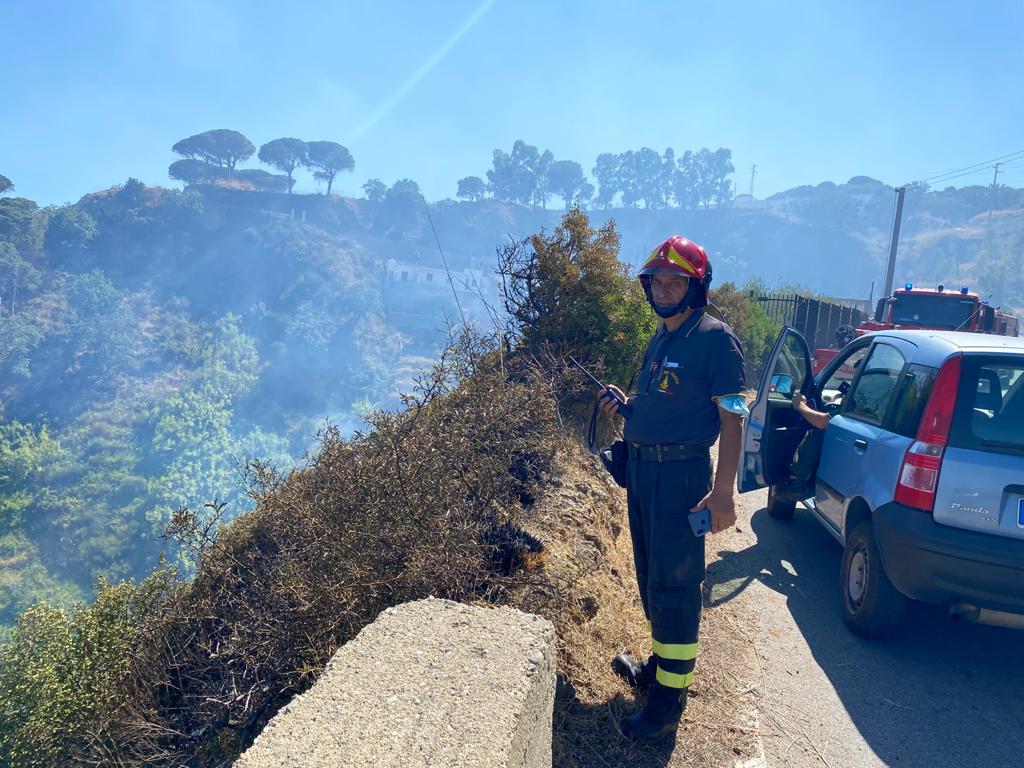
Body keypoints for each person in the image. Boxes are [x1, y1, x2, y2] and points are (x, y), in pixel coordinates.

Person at [598, 235, 748, 742]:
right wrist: (628, 406)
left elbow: (733, 422)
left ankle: (667, 705)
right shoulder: (661, 338)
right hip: (643, 475)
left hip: (681, 478)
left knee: (676, 588)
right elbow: (661, 402)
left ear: (696, 286)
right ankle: (660, 670)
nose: (664, 289)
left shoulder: (715, 339)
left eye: (674, 281)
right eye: (658, 281)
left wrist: (724, 492)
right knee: (650, 578)